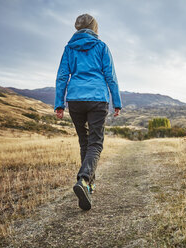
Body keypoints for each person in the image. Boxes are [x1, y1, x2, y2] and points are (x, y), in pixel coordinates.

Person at [54, 14, 122, 211]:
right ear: (95, 27)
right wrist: (116, 101)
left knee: (84, 142)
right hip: (97, 98)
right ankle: (84, 180)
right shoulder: (101, 47)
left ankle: (89, 185)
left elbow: (62, 77)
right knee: (95, 143)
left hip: (75, 99)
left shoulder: (69, 48)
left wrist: (59, 103)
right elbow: (111, 76)